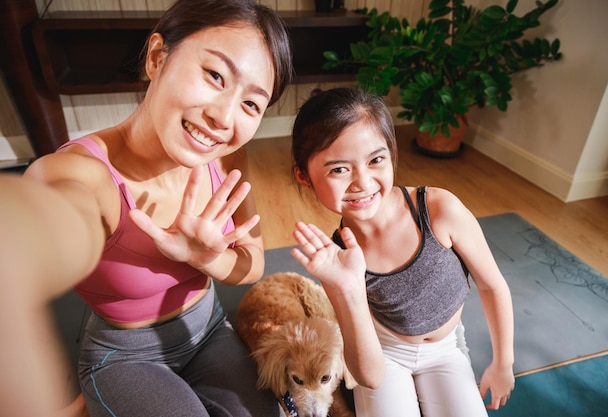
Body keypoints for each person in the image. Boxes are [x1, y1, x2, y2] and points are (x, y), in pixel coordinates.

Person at [0, 0, 293, 416]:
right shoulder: (82, 176)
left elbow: (254, 264)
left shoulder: (225, 155)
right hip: (125, 357)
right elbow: (48, 224)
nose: (223, 117)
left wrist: (209, 260)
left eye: (251, 104)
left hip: (209, 332)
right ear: (158, 57)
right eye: (214, 75)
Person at [289, 88, 515, 417]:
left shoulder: (439, 210)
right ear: (304, 176)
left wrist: (503, 363)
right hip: (386, 353)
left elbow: (492, 285)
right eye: (339, 169)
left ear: (391, 154)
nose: (361, 182)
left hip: (447, 348)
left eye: (375, 160)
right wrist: (349, 288)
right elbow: (371, 374)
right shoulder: (336, 259)